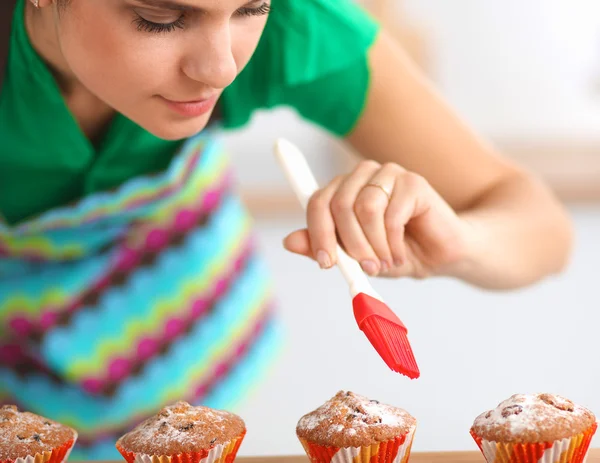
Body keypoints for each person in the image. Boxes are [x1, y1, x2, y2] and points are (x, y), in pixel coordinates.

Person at [0, 0, 572, 458]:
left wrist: (457, 241)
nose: (222, 67)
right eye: (162, 17)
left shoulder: (301, 22)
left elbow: (539, 226)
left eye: (252, 8)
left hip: (186, 353)